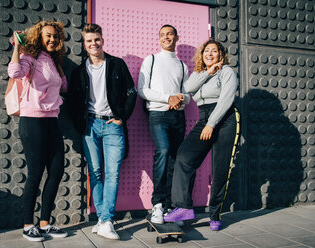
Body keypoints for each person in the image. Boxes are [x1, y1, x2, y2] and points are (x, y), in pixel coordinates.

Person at [67, 24, 137, 240]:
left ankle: (106, 220)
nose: (93, 44)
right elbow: (71, 101)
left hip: (112, 126)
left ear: (102, 41)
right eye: (89, 41)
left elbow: (131, 91)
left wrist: (122, 117)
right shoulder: (79, 71)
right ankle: (101, 220)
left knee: (113, 173)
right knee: (95, 173)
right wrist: (80, 125)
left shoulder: (116, 64)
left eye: (96, 39)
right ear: (84, 44)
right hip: (90, 126)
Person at [163, 39, 240, 231]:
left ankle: (215, 214)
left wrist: (212, 124)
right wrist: (208, 72)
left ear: (220, 55)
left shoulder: (227, 72)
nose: (210, 54)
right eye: (207, 51)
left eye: (214, 51)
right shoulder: (200, 73)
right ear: (202, 54)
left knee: (221, 168)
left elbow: (227, 99)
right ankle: (183, 207)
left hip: (226, 118)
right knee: (184, 157)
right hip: (204, 118)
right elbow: (188, 89)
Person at [7, 20, 68, 241]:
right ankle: (27, 224)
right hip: (32, 120)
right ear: (39, 37)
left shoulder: (51, 60)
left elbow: (64, 87)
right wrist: (17, 47)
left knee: (57, 170)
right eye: (48, 36)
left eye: (55, 36)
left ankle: (44, 223)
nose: (52, 39)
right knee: (35, 173)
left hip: (52, 121)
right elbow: (14, 72)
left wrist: (58, 63)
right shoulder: (29, 58)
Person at [138, 24, 190, 224]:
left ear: (176, 37)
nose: (165, 37)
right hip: (158, 116)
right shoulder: (151, 60)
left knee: (175, 160)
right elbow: (142, 90)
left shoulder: (182, 66)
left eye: (169, 34)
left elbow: (187, 95)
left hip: (178, 117)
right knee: (163, 151)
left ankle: (171, 206)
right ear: (159, 39)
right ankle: (157, 204)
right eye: (162, 35)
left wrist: (179, 99)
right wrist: (168, 98)